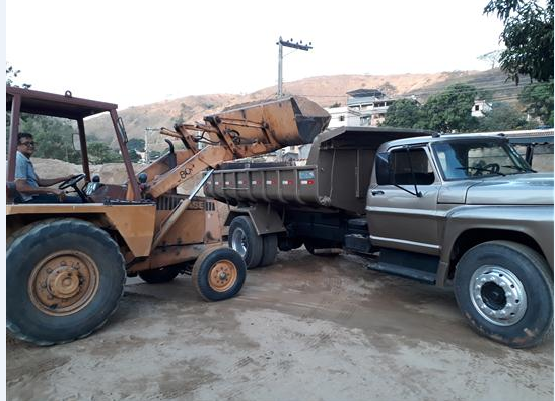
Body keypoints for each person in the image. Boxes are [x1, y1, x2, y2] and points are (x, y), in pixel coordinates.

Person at [13, 132, 82, 203]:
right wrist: (52, 190)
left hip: (34, 197)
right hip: (29, 200)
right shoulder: (18, 160)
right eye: (26, 143)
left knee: (72, 199)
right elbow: (20, 187)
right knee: (78, 201)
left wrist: (65, 178)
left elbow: (40, 182)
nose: (30, 146)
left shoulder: (25, 160)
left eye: (32, 143)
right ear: (17, 146)